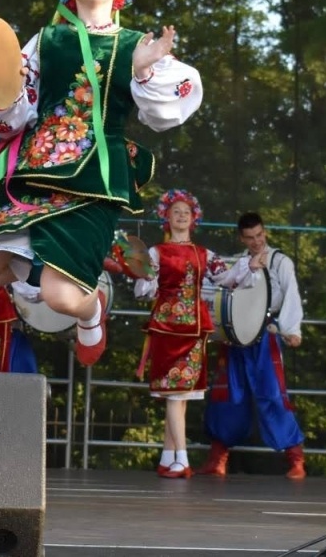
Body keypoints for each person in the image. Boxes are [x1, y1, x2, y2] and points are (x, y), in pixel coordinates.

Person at [0, 0, 203, 367]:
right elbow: (13, 109)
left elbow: (164, 113)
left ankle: (91, 309)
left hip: (93, 182)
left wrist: (141, 69)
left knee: (61, 298)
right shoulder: (46, 40)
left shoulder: (136, 45)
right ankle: (34, 264)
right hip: (33, 175)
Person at [133, 190, 255, 478]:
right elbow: (144, 290)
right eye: (175, 211)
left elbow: (226, 278)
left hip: (194, 331)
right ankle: (181, 459)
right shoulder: (156, 253)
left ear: (193, 218)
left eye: (186, 212)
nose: (181, 215)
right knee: (174, 395)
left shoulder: (204, 254)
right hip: (166, 328)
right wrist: (145, 276)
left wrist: (249, 266)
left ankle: (170, 457)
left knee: (180, 396)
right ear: (166, 217)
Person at [198, 213, 308, 480]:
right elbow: (219, 293)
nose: (256, 241)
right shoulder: (237, 264)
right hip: (235, 336)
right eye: (250, 237)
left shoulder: (280, 261)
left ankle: (296, 459)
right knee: (227, 395)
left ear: (265, 232)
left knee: (272, 393)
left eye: (259, 235)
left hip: (266, 334)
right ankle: (217, 459)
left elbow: (291, 294)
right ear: (242, 238)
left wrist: (291, 329)